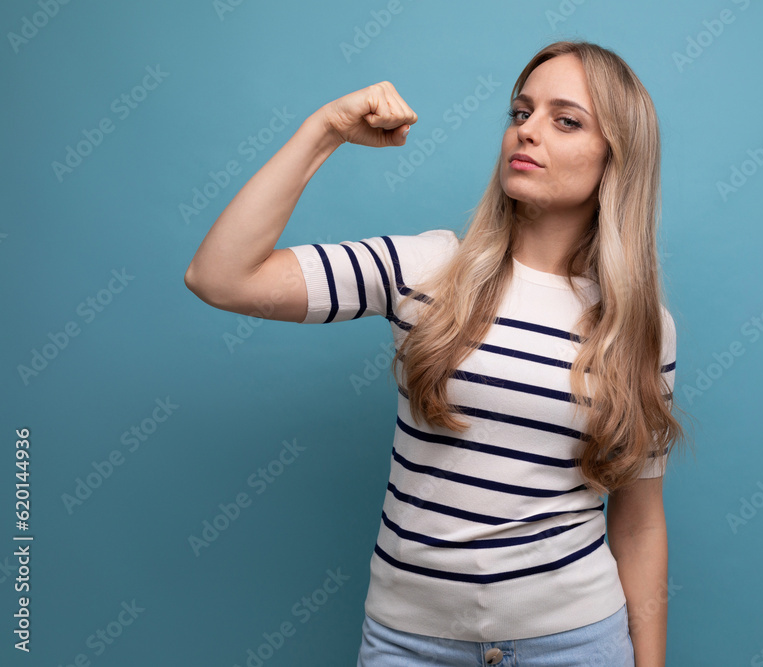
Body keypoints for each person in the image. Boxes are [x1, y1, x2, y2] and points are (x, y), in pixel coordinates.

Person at [185, 39, 688, 667]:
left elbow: (639, 522)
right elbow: (221, 277)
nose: (528, 131)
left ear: (618, 159)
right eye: (520, 112)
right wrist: (326, 130)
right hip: (408, 644)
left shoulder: (642, 329)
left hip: (576, 643)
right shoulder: (426, 269)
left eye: (566, 120)